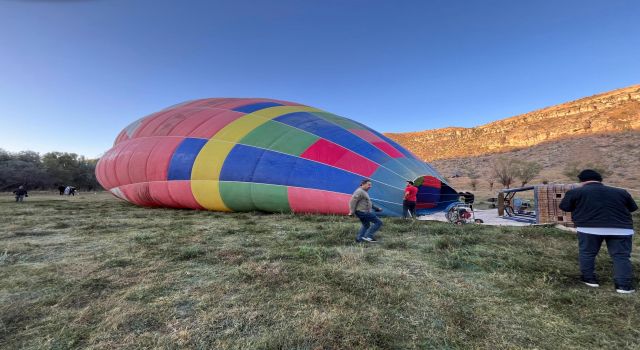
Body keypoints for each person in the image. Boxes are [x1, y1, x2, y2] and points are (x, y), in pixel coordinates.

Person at [559, 169, 638, 294]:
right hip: (621, 229)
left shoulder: (576, 192)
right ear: (600, 180)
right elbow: (633, 208)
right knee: (621, 257)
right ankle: (623, 286)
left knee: (587, 253)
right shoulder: (621, 192)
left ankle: (590, 280)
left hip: (588, 228)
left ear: (581, 181)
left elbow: (564, 207)